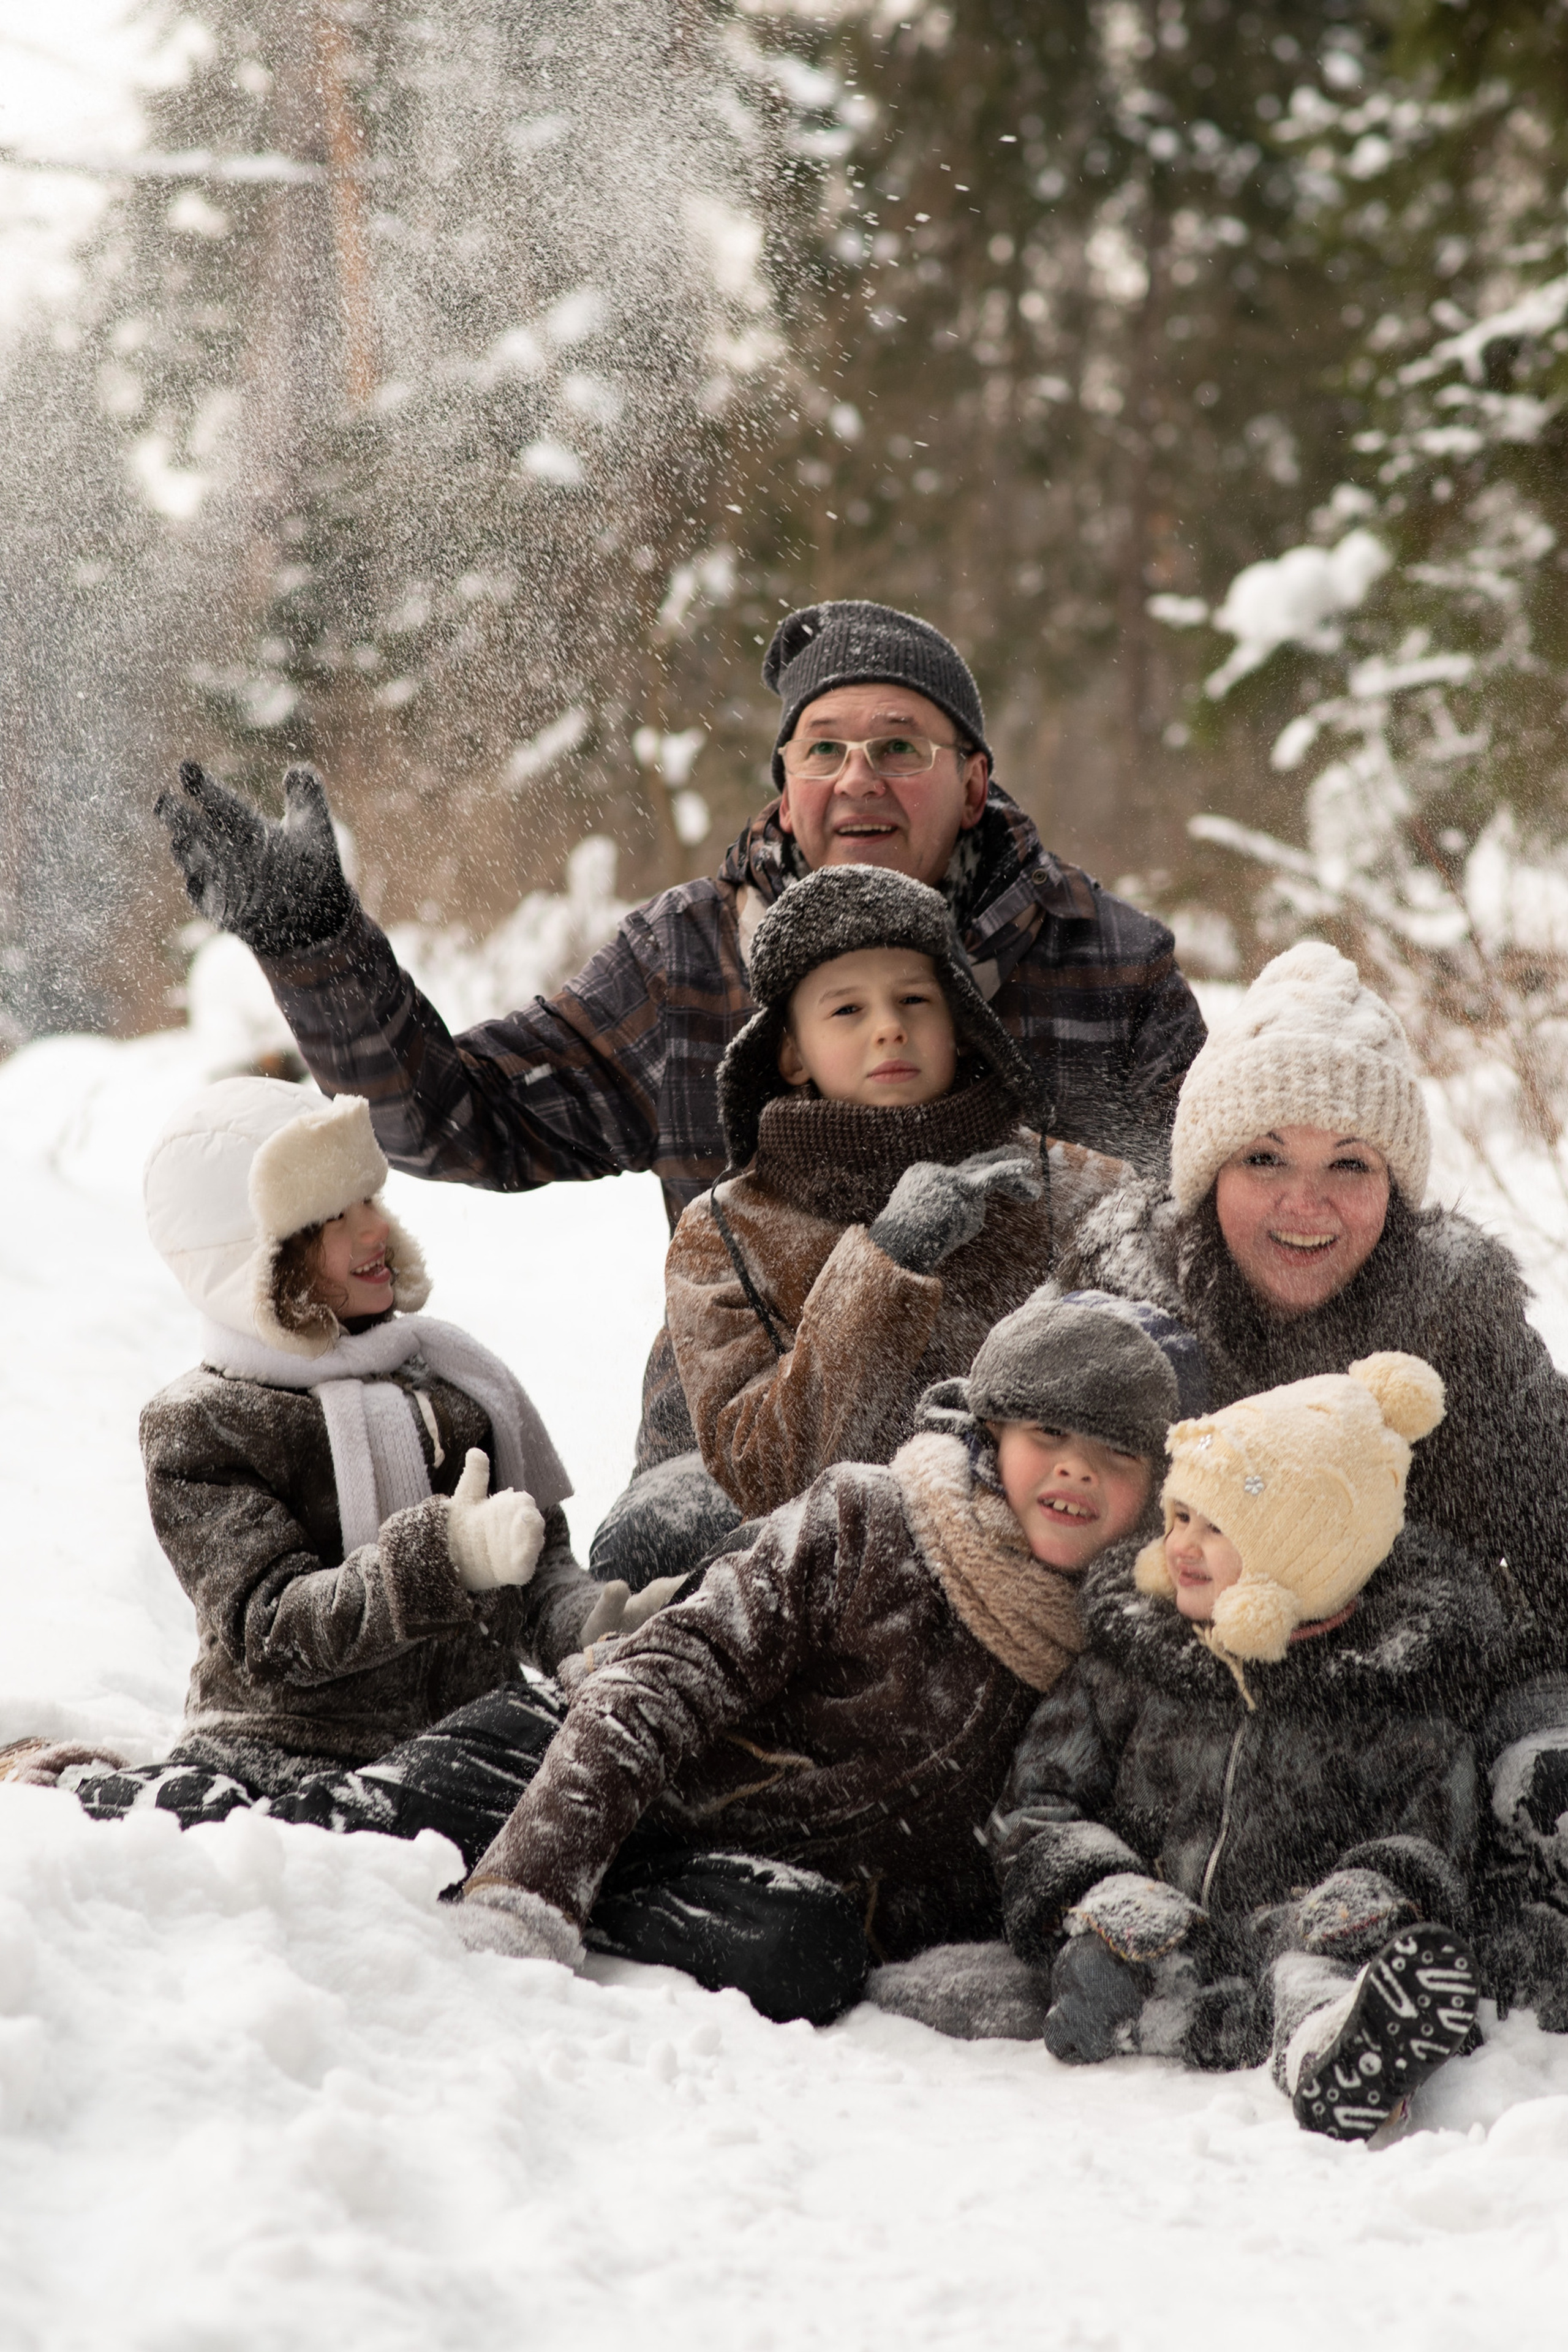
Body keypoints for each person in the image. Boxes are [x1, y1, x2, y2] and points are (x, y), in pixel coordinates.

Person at [154, 601, 1206, 1553]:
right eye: (825, 748)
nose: (859, 778)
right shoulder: (690, 960)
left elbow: (1208, 1229)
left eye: (901, 746)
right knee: (665, 1565)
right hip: (742, 1431)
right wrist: (318, 948)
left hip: (1040, 1439)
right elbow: (460, 1119)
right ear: (786, 788)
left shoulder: (1103, 966)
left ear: (973, 782)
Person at [431, 1287, 1200, 2019]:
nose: (1076, 1468)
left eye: (1116, 1453)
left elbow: (1037, 1835)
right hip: (573, 1757)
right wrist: (529, 1893)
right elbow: (659, 1681)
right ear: (990, 1432)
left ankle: (611, 1891)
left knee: (809, 1953)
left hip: (760, 1892)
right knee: (382, 1827)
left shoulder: (1113, 1653)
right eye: (1047, 1435)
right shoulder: (867, 1523)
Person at [45, 1076, 671, 1823]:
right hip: (286, 1753)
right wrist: (441, 1558)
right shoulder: (205, 1427)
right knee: (245, 1818)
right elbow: (276, 1631)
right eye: (332, 1217)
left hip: (469, 1739)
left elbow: (531, 1568)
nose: (375, 1229)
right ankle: (87, 1792)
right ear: (255, 1261)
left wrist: (589, 1621)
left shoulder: (448, 1379)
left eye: (370, 1198)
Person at [978, 1354, 1499, 2142]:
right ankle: (1141, 2009)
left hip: (1299, 1938)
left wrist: (1364, 1897)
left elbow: (1429, 1840)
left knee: (1315, 1980)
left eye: (1216, 1528)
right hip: (1150, 1935)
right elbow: (1037, 1802)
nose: (1181, 1545)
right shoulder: (1130, 1666)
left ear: (1303, 1553)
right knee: (1105, 1969)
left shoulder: (1388, 1696)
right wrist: (1101, 1887)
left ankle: (1338, 2052)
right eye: (1179, 1516)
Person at [1059, 938, 1568, 1670]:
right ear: (1209, 1176)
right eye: (1264, 1159)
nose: (1304, 1202)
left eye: (1349, 1163)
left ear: (1392, 1190)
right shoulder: (1121, 1304)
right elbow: (1001, 1482)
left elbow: (1552, 1551)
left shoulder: (1457, 1322)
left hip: (1400, 1721)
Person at [660, 861, 1128, 1529]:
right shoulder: (726, 1231)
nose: (888, 1027)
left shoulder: (1074, 1186)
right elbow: (769, 1476)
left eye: (914, 999)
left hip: (1058, 1542)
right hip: (840, 1567)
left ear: (958, 1021)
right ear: (791, 1054)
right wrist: (888, 1260)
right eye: (847, 1009)